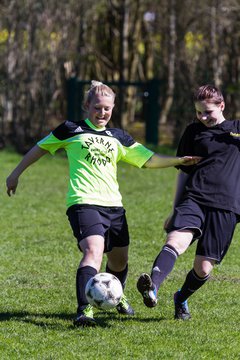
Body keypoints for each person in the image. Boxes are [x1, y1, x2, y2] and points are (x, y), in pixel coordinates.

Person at [6, 80, 200, 327]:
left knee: (119, 261)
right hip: (83, 202)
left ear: (113, 108)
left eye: (107, 108)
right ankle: (84, 310)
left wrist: (179, 160)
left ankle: (114, 295)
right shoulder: (71, 129)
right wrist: (15, 173)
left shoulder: (119, 137)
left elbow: (149, 160)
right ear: (87, 106)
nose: (102, 113)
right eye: (97, 107)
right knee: (93, 252)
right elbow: (40, 148)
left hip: (114, 206)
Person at [137, 84, 240, 320]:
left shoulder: (237, 130)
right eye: (198, 112)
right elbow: (183, 172)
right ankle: (153, 287)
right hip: (194, 197)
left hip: (227, 206)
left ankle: (181, 297)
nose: (203, 117)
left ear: (222, 106)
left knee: (203, 268)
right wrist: (174, 210)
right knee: (176, 241)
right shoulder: (193, 132)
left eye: (208, 112)